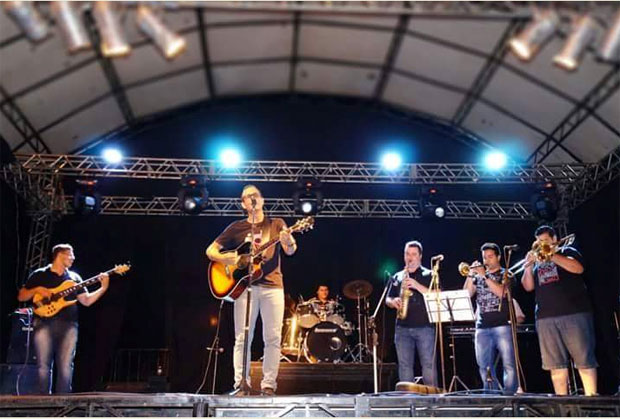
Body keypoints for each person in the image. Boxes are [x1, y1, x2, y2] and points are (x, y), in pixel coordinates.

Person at [206, 184, 297, 396]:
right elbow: (210, 251)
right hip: (244, 287)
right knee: (242, 338)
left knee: (272, 337)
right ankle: (241, 384)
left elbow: (290, 251)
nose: (252, 198)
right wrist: (228, 258)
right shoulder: (236, 228)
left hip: (273, 287)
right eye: (247, 197)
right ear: (243, 204)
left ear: (263, 200)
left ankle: (268, 385)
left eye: (255, 195)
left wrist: (288, 240)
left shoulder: (277, 224)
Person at [17, 244, 109, 394]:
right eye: (70, 255)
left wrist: (103, 288)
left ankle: (64, 403)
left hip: (69, 325)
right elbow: (22, 296)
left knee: (66, 365)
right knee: (43, 365)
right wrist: (37, 289)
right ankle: (43, 403)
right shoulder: (40, 274)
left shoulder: (74, 278)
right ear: (60, 255)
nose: (73, 258)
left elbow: (86, 301)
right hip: (43, 323)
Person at [521, 225, 598, 396]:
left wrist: (552, 255)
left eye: (546, 241)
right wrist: (528, 266)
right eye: (539, 242)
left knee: (584, 362)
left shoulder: (566, 250)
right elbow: (528, 287)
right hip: (545, 318)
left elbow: (578, 268)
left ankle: (592, 402)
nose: (542, 245)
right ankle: (562, 406)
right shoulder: (537, 260)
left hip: (574, 313)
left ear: (555, 239)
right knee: (555, 367)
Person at [463, 243, 517, 394]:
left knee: (508, 365)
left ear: (498, 257)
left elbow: (502, 293)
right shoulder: (478, 276)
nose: (486, 260)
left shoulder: (506, 274)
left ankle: (510, 396)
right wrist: (470, 276)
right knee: (484, 366)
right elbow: (466, 294)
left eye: (490, 257)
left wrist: (484, 276)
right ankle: (492, 396)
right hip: (482, 327)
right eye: (484, 257)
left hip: (502, 325)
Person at [385, 240, 438, 386]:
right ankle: (408, 400)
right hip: (402, 327)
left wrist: (416, 285)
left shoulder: (430, 274)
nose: (410, 257)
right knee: (404, 365)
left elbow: (437, 295)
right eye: (407, 254)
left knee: (428, 365)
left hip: (425, 327)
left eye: (414, 254)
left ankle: (432, 400)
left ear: (420, 256)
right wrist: (393, 301)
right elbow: (387, 299)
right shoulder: (398, 276)